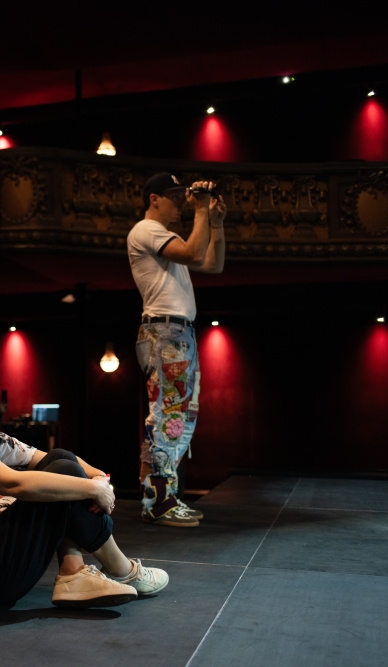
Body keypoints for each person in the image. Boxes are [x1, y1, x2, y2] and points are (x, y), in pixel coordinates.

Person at [0, 334, 168, 608]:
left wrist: (99, 477)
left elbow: (44, 457)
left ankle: (74, 572)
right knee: (65, 470)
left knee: (62, 460)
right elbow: (14, 485)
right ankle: (121, 569)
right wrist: (91, 489)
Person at [127, 173, 226, 527]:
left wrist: (214, 221)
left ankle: (155, 494)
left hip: (176, 333)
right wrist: (201, 208)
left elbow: (211, 263)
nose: (181, 205)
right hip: (165, 332)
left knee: (177, 418)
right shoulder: (146, 230)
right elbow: (195, 252)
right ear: (154, 199)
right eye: (175, 199)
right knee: (169, 417)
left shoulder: (166, 237)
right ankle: (159, 500)